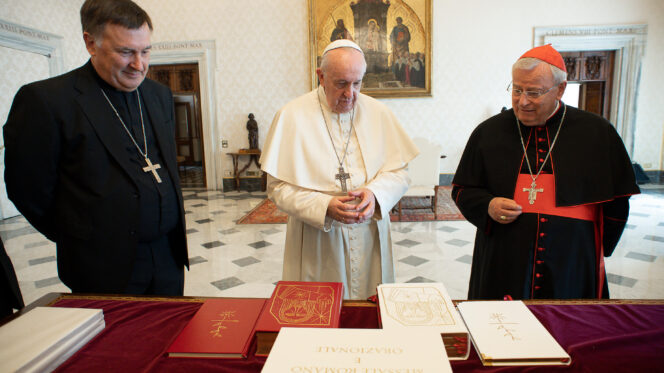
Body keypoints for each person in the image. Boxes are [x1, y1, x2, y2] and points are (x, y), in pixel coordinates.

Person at [3, 0, 189, 295]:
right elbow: (28, 190)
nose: (138, 65)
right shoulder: (47, 101)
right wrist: (82, 237)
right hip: (102, 265)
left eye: (145, 51)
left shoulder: (158, 95)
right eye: (125, 52)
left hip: (167, 257)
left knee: (170, 337)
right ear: (90, 42)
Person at [452, 44, 640, 300]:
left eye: (534, 92)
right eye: (516, 90)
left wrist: (595, 246)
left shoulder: (597, 133)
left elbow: (617, 201)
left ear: (560, 89)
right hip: (504, 258)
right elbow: (463, 189)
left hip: (571, 259)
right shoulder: (488, 133)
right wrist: (488, 205)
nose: (523, 101)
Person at [260, 39, 418, 300]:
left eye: (357, 83)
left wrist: (375, 194)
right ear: (321, 76)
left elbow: (400, 172)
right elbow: (277, 188)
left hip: (370, 235)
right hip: (318, 240)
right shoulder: (291, 116)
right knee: (320, 313)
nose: (350, 94)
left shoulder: (379, 113)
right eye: (341, 83)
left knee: (369, 313)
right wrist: (324, 206)